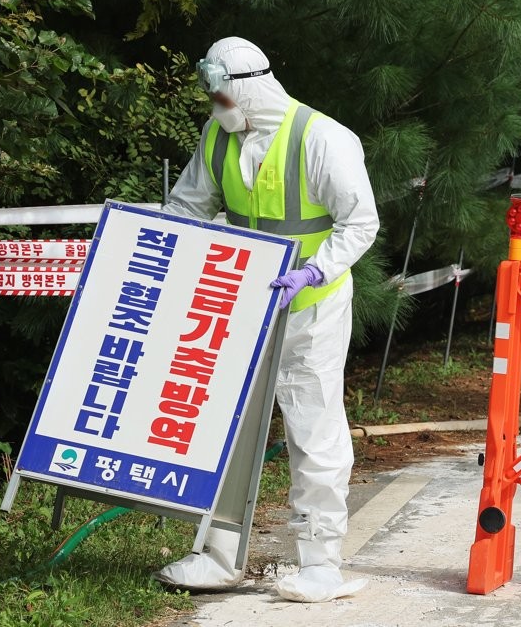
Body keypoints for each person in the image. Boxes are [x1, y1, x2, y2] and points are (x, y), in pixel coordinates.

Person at [157, 36, 379, 602]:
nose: (217, 109)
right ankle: (218, 554)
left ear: (251, 89)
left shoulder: (322, 138)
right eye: (213, 99)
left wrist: (313, 272)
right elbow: (187, 206)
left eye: (224, 98)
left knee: (312, 429)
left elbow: (360, 223)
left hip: (310, 307)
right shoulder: (218, 138)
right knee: (222, 430)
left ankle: (322, 563)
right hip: (235, 305)